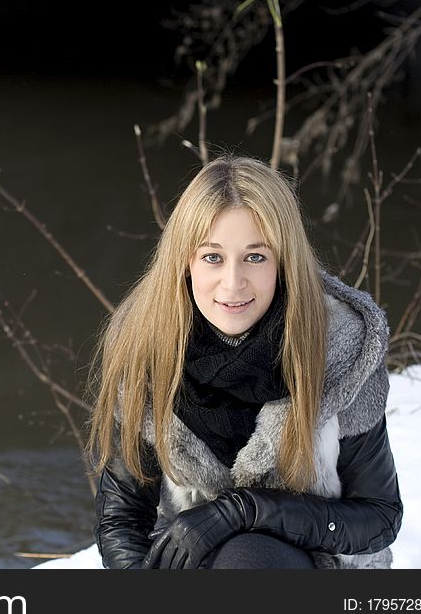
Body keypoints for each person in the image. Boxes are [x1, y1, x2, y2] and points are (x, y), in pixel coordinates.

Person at [87, 155, 402, 569]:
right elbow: (122, 517)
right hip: (190, 563)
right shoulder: (146, 346)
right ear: (185, 260)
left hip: (313, 567)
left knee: (248, 558)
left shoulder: (338, 350)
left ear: (283, 262)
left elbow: (378, 517)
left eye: (256, 257)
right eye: (213, 257)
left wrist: (244, 511)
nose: (233, 283)